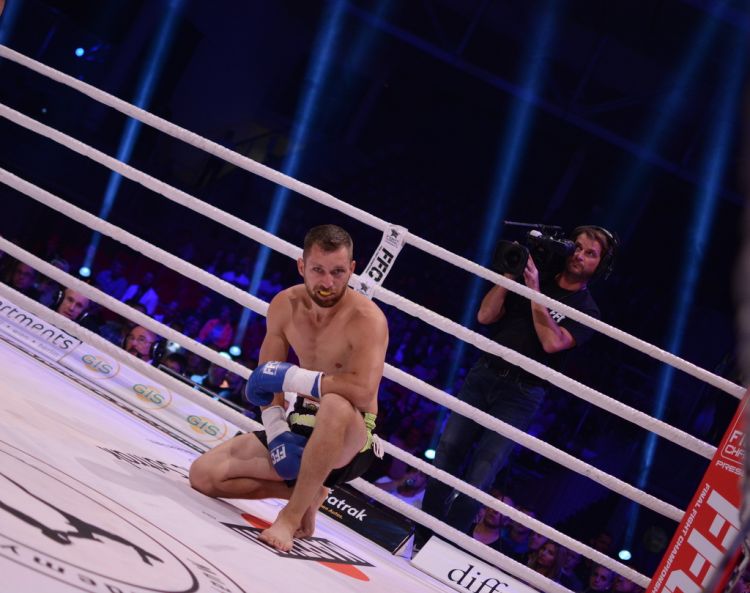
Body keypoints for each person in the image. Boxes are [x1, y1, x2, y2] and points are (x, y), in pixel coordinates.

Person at [189, 224, 388, 552]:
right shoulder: (285, 305)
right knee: (204, 475)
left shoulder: (367, 319)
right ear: (301, 266)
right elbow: (267, 379)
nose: (328, 282)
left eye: (338, 272)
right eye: (318, 270)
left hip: (350, 437)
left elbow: (363, 392)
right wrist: (277, 429)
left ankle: (290, 516)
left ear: (352, 269)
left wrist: (295, 378)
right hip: (301, 422)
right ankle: (309, 493)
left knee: (335, 403)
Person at [420, 226, 615, 541]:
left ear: (600, 265)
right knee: (448, 449)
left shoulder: (587, 309)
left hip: (521, 394)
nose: (579, 255)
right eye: (577, 247)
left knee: (483, 471)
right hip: (484, 373)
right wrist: (510, 276)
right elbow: (485, 316)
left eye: (590, 253)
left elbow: (552, 343)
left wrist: (534, 292)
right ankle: (422, 529)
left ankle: (446, 541)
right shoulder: (537, 274)